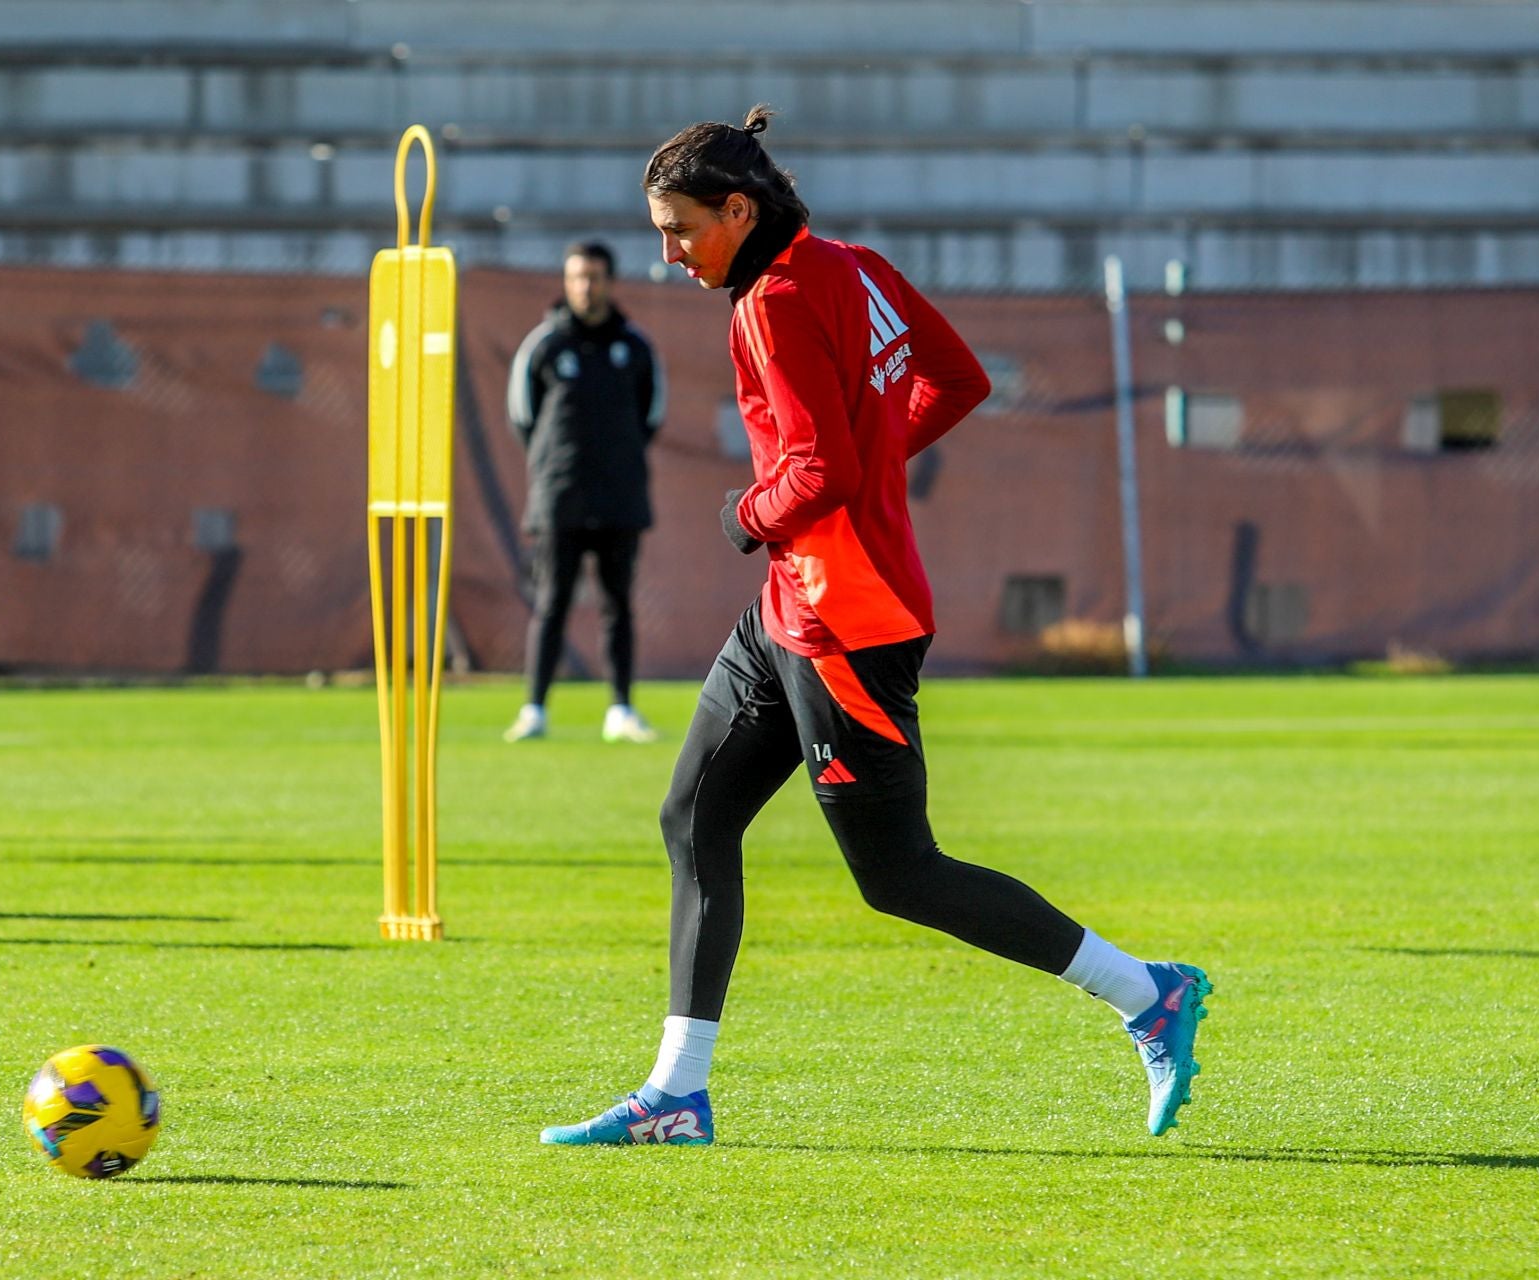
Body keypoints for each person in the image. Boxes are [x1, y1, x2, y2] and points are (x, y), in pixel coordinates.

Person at [541, 108, 1211, 1147]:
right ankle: (677, 1093)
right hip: (793, 610)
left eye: (679, 231)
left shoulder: (770, 301)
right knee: (694, 817)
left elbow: (821, 472)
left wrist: (744, 514)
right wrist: (860, 462)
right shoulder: (855, 265)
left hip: (848, 621)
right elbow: (958, 380)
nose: (666, 255)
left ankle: (1147, 992)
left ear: (738, 208)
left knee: (900, 874)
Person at [503, 241, 666, 744]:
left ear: (610, 282)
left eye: (594, 277)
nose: (585, 286)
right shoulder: (545, 345)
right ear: (566, 281)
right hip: (560, 500)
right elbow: (523, 416)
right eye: (576, 277)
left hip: (620, 499)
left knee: (618, 604)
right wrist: (558, 468)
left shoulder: (635, 347)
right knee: (551, 602)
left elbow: (651, 415)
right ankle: (534, 709)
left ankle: (621, 709)